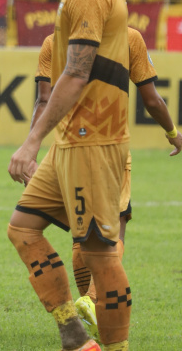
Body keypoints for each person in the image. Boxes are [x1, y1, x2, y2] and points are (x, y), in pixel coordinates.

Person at [7, 0, 132, 351]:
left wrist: (31, 140)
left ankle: (115, 348)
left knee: (98, 254)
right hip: (73, 139)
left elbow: (76, 74)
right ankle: (75, 335)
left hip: (92, 139)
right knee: (22, 228)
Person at [32, 28, 182, 341]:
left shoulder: (53, 41)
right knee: (115, 226)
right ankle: (92, 299)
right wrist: (172, 133)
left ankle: (91, 314)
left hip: (67, 150)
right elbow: (151, 99)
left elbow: (44, 100)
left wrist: (30, 147)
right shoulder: (128, 37)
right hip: (109, 147)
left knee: (80, 231)